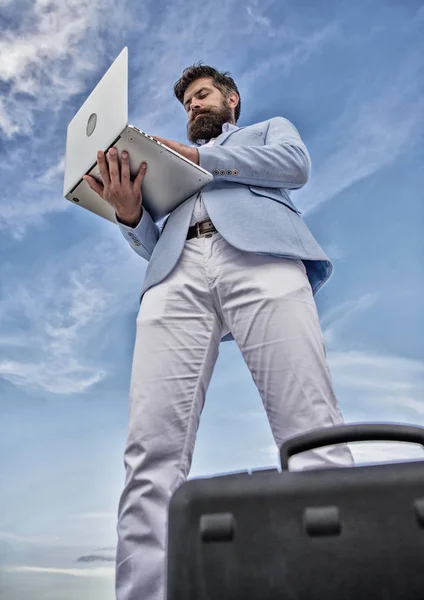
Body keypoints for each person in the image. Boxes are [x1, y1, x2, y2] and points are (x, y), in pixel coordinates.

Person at [83, 62, 354, 600]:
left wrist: (201, 158)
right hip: (173, 274)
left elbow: (294, 166)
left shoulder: (267, 131)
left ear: (232, 100)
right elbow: (148, 240)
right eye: (187, 104)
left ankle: (344, 584)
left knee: (310, 430)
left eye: (203, 96)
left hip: (263, 259)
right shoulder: (169, 169)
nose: (194, 107)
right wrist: (130, 215)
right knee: (149, 451)